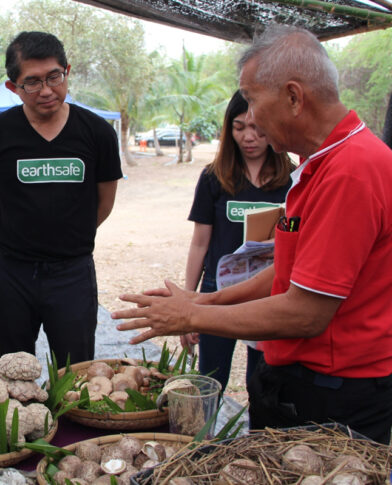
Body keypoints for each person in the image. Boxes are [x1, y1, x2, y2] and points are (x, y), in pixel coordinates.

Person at [112, 25, 392, 444]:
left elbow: (307, 312)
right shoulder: (321, 163)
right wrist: (206, 299)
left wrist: (191, 317)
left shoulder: (351, 171)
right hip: (299, 380)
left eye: (255, 101)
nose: (252, 119)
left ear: (294, 98)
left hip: (335, 394)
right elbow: (289, 270)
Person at [0, 31, 123, 367]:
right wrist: (23, 230)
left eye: (54, 77)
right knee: (14, 373)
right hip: (13, 273)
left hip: (73, 273)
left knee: (76, 376)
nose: (47, 90)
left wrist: (67, 233)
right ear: (13, 87)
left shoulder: (98, 133)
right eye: (33, 82)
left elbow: (104, 202)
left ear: (67, 71)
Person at [182, 90, 294, 392]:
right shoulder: (213, 177)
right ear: (228, 129)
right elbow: (200, 243)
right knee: (209, 381)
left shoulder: (292, 179)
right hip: (218, 292)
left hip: (267, 295)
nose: (249, 137)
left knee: (262, 382)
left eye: (258, 127)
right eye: (239, 126)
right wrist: (189, 301)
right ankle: (204, 439)